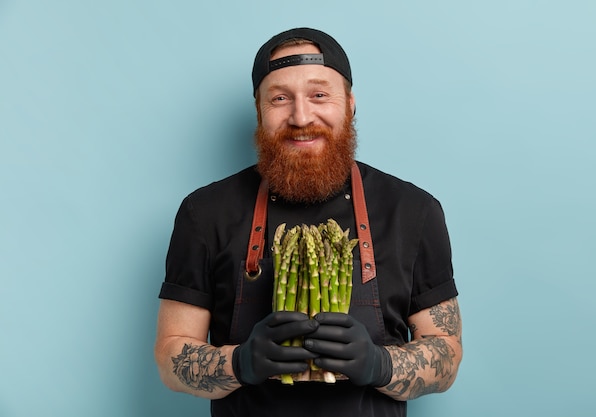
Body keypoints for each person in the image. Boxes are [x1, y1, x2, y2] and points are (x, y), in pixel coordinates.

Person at [154, 27, 462, 417]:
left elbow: (446, 356)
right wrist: (240, 363)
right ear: (259, 110)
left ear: (349, 104)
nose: (301, 117)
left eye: (319, 95)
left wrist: (380, 364)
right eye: (280, 98)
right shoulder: (204, 212)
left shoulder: (413, 210)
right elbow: (170, 358)